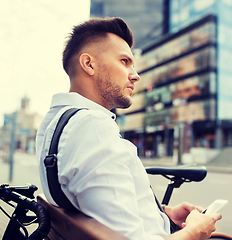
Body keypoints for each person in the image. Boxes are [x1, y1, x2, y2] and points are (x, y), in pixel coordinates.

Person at [36, 17, 221, 240]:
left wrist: (163, 215)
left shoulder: (54, 123)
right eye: (124, 61)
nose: (135, 74)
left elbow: (98, 205)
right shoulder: (93, 128)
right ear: (89, 64)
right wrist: (195, 231)